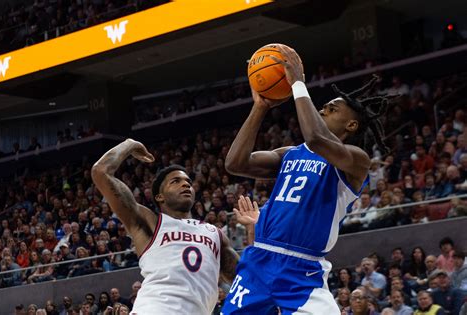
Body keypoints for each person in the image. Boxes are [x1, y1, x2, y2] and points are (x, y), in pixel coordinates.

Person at [223, 44, 392, 314]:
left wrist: (299, 85)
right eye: (323, 107)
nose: (323, 110)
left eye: (332, 109)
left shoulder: (356, 160)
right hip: (260, 261)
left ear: (351, 125)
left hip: (302, 272)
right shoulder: (291, 153)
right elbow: (235, 163)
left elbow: (316, 138)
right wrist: (259, 108)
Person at [91, 139, 242, 314]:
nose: (185, 184)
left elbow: (244, 280)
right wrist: (130, 145)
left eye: (188, 182)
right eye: (175, 181)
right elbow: (101, 172)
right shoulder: (151, 223)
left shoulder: (215, 234)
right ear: (160, 197)